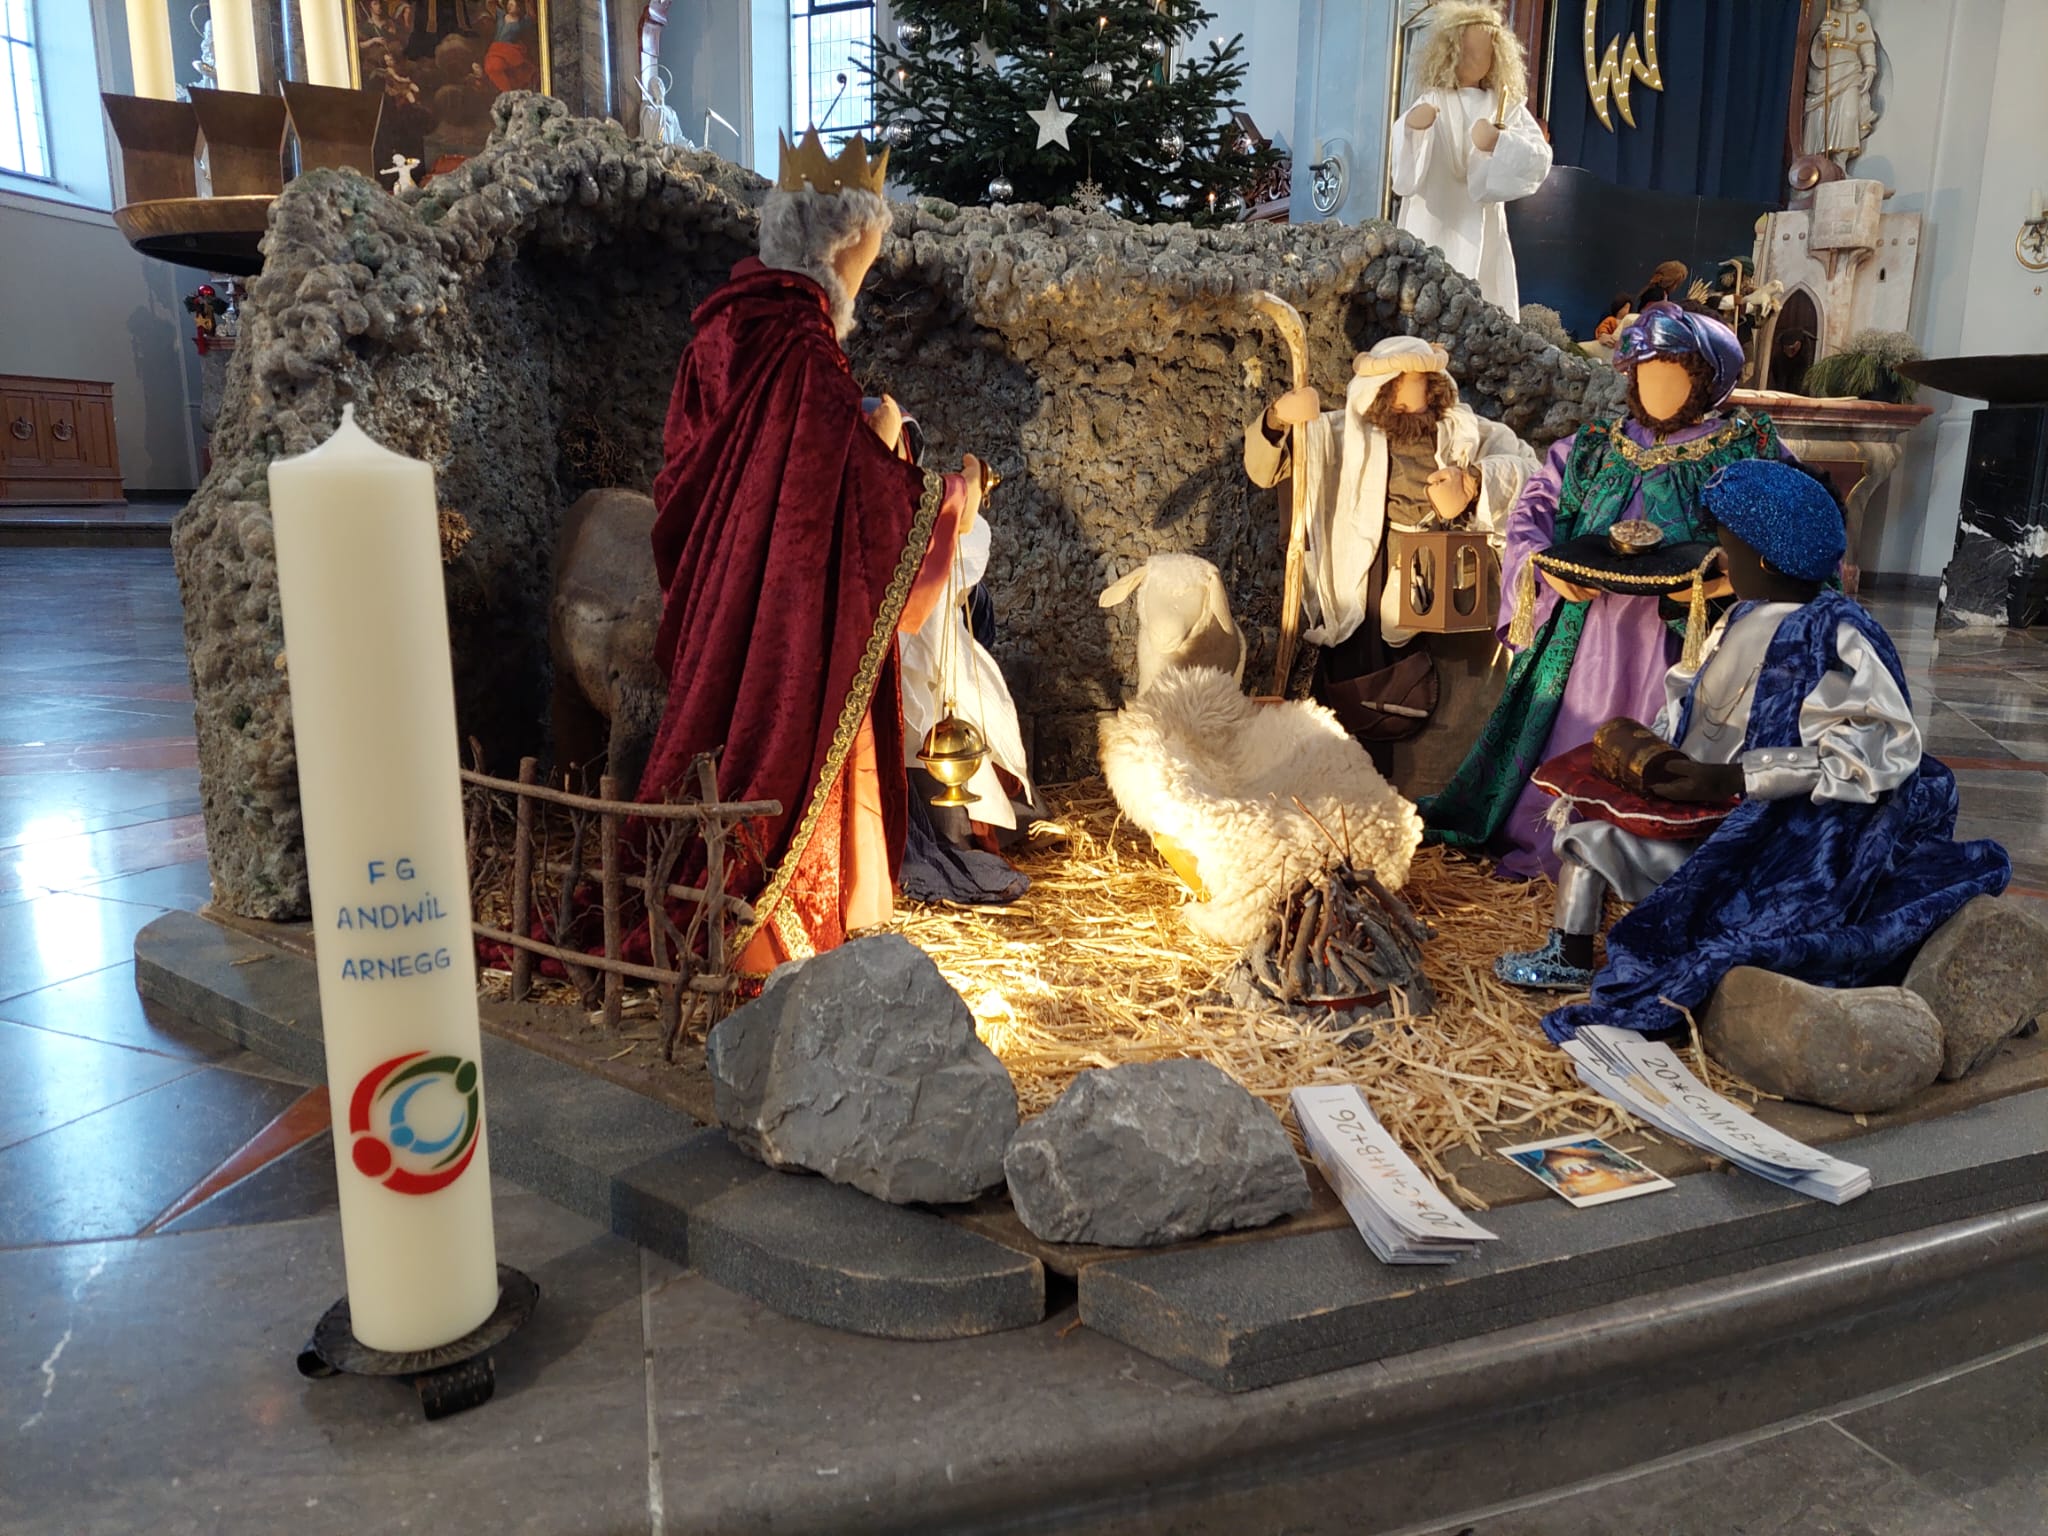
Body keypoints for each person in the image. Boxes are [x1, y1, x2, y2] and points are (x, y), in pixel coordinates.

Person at [1493, 460, 2009, 1036]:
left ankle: (1664, 943)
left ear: (1763, 560)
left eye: (1728, 551)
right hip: (1698, 797)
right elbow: (1691, 696)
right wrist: (1654, 752)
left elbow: (1878, 744)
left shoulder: (1833, 633)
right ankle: (1569, 952)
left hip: (1767, 827)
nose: (1721, 564)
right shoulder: (1738, 616)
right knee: (1586, 837)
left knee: (1622, 857)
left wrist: (1737, 778)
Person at [635, 128, 985, 975]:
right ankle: (770, 925)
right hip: (785, 611)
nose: (875, 257)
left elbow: (707, 472)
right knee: (787, 735)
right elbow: (840, 498)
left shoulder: (727, 327)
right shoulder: (802, 350)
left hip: (724, 592)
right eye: (874, 239)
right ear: (845, 239)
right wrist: (942, 491)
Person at [1423, 303, 1790, 879]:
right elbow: (1534, 511)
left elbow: (1794, 529)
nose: (1657, 387)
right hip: (1587, 632)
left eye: (1675, 373)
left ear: (1706, 381)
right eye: (1646, 372)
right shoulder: (1594, 447)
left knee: (1666, 743)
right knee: (1578, 729)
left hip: (1686, 640)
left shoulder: (1746, 450)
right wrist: (1544, 567)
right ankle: (1559, 836)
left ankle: (1647, 851)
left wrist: (1731, 578)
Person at [1245, 336, 1538, 755]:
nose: (1414, 413)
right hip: (1373, 574)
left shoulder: (1467, 431)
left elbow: (1530, 472)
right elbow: (1267, 469)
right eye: (1401, 404)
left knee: (1457, 712)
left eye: (1424, 398)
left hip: (1458, 580)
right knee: (1367, 699)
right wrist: (1278, 421)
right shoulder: (1338, 435)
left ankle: (1451, 778)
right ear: (1379, 396)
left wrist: (1473, 483)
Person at [1390, 2, 1553, 315]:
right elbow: (1403, 171)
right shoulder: (1433, 99)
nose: (1473, 59)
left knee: (1482, 300)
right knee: (1425, 294)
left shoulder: (1504, 106)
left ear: (1496, 56)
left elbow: (1538, 159)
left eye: (1482, 53)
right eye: (1465, 51)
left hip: (1480, 220)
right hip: (1433, 214)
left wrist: (1499, 142)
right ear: (1448, 52)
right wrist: (1412, 128)